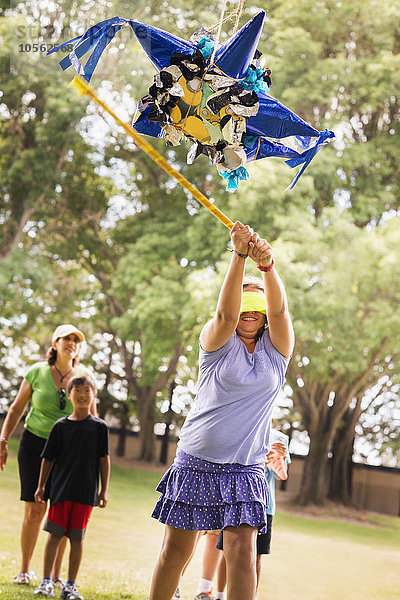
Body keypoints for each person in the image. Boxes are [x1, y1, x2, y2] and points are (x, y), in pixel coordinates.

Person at [149, 221, 294, 600]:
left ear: (263, 313)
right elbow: (225, 316)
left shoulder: (276, 353)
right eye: (244, 300)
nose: (249, 309)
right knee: (175, 554)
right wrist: (240, 256)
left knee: (242, 555)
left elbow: (280, 315)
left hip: (246, 467)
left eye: (257, 303)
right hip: (197, 460)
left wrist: (267, 268)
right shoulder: (215, 342)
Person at [0, 324, 96, 586]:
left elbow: (93, 418)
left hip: (69, 451)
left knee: (62, 512)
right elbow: (16, 408)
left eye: (76, 340)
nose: (72, 343)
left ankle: (53, 576)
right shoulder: (37, 371)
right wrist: (3, 439)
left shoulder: (84, 376)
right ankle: (24, 569)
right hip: (34, 446)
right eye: (67, 338)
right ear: (55, 344)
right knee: (35, 509)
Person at [33, 374, 110, 600]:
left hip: (85, 495)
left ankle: (70, 586)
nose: (83, 394)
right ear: (69, 395)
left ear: (94, 395)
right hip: (60, 492)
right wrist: (40, 487)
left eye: (87, 390)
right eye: (77, 390)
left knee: (77, 539)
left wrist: (103, 490)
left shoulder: (99, 428)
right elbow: (47, 459)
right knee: (54, 536)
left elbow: (104, 460)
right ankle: (46, 581)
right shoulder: (60, 427)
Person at [214, 429, 291, 599]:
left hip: (265, 506)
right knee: (226, 551)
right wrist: (263, 457)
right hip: (238, 500)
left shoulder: (280, 438)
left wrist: (280, 459)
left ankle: (251, 596)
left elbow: (280, 474)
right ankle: (219, 595)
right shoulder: (245, 429)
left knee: (256, 556)